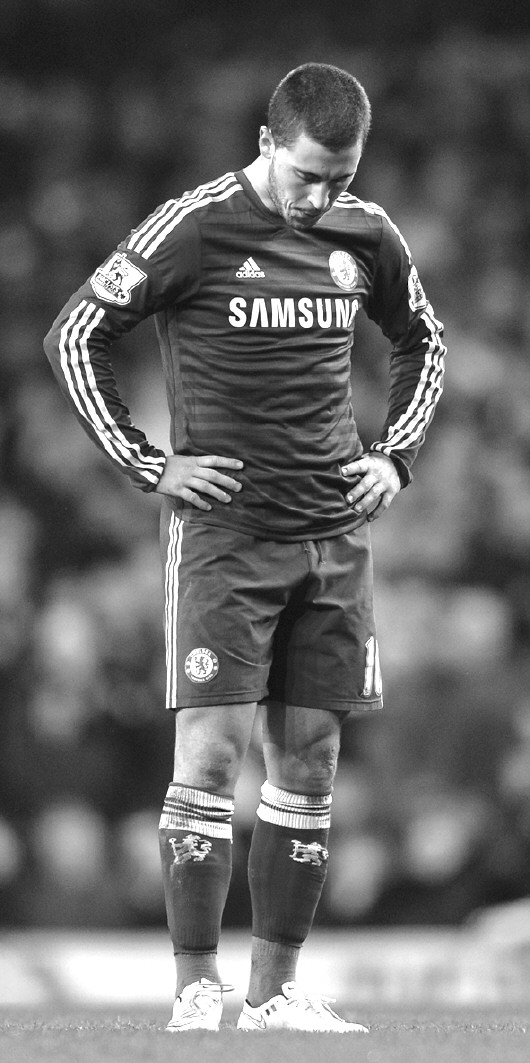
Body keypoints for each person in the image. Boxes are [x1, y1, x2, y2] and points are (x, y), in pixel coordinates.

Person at [44, 62, 445, 1032]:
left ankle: (273, 993)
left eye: (340, 178)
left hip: (333, 534)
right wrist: (149, 464)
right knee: (212, 753)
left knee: (309, 759)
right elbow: (76, 334)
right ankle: (195, 985)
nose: (321, 197)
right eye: (307, 175)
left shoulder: (367, 233)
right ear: (266, 143)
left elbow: (423, 342)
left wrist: (393, 458)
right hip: (226, 536)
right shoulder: (194, 226)